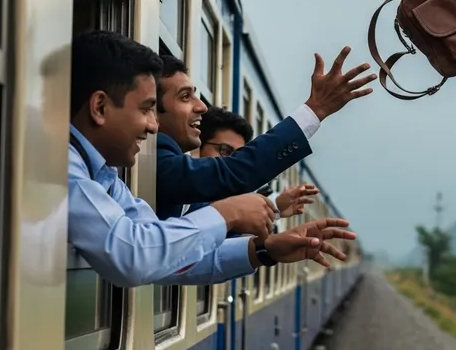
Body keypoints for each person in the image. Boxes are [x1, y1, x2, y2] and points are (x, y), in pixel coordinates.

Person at [67, 30, 355, 287]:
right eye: (146, 110)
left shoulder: (105, 177)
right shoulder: (67, 174)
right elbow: (133, 255)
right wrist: (228, 213)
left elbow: (163, 259)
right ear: (100, 107)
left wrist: (264, 251)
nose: (152, 126)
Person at [155, 47, 374, 218]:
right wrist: (315, 110)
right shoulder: (157, 159)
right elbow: (236, 173)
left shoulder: (168, 167)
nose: (202, 107)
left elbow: (202, 226)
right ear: (151, 110)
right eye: (185, 97)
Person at [173, 107, 319, 229]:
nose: (233, 163)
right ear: (196, 149)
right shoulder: (179, 189)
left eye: (237, 156)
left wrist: (275, 207)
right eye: (225, 151)